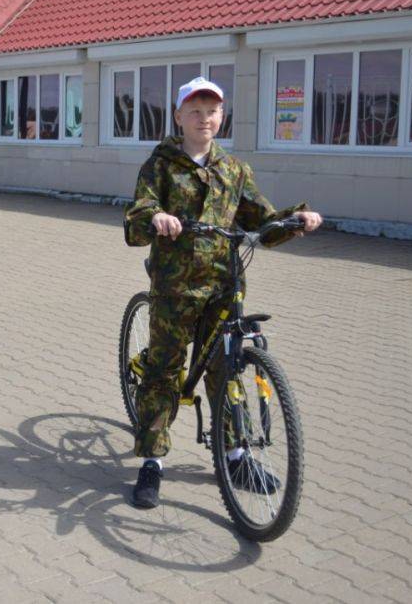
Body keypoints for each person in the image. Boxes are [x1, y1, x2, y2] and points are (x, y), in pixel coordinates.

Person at [122, 77, 322, 509]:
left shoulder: (233, 170)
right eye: (195, 110)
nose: (204, 118)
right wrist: (156, 217)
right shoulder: (161, 165)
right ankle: (152, 462)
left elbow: (262, 222)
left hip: (224, 286)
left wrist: (296, 219)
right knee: (164, 371)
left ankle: (236, 455)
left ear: (221, 116)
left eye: (212, 111)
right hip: (175, 287)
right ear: (178, 117)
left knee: (226, 372)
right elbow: (137, 215)